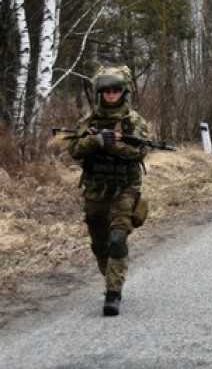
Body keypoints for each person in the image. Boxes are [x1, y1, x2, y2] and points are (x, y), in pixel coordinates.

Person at [66, 65, 151, 316]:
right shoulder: (89, 120)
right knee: (100, 244)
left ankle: (113, 293)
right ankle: (110, 276)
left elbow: (140, 152)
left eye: (115, 91)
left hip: (125, 188)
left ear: (123, 92)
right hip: (95, 190)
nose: (111, 95)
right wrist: (97, 140)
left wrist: (114, 145)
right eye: (106, 91)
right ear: (100, 93)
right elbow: (74, 150)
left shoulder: (133, 121)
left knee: (117, 240)